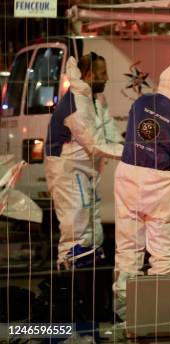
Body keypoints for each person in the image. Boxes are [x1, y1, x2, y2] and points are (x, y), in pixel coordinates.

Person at [113, 60, 170, 320]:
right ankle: (161, 316)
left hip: (128, 178)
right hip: (163, 186)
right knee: (164, 251)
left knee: (128, 248)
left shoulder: (141, 103)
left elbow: (131, 134)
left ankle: (125, 312)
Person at [44, 53, 123, 269]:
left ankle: (89, 278)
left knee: (90, 221)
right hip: (68, 171)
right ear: (88, 74)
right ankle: (70, 279)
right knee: (75, 224)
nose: (107, 78)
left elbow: (109, 131)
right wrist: (133, 154)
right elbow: (95, 144)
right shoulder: (77, 104)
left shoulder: (94, 99)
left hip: (85, 169)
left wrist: (128, 148)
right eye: (102, 73)